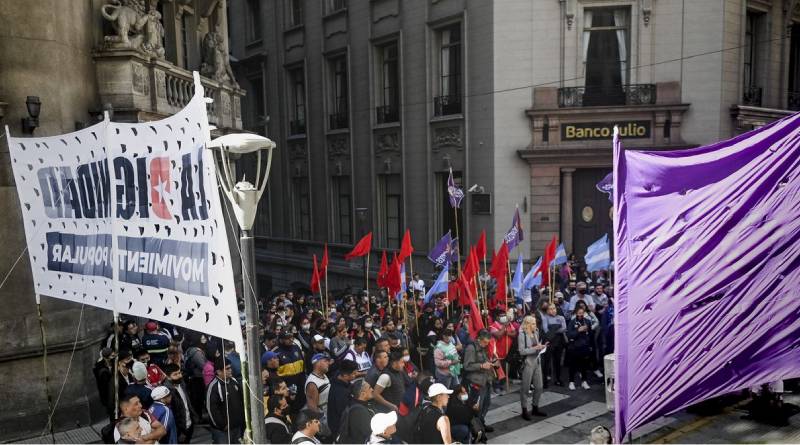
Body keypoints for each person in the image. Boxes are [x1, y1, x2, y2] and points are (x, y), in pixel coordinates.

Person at [463, 330, 497, 434]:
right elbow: (467, 366)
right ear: (479, 339)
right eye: (485, 342)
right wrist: (481, 366)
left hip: (485, 380)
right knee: (478, 406)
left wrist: (492, 363)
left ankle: (481, 423)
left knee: (487, 403)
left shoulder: (483, 347)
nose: (487, 344)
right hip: (476, 382)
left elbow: (485, 360)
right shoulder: (471, 348)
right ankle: (476, 428)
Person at [206, 358, 245, 444]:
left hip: (237, 426)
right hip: (222, 431)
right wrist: (222, 425)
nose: (230, 370)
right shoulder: (213, 387)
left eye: (230, 368)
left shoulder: (234, 381)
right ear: (219, 372)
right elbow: (211, 409)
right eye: (227, 369)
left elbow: (242, 401)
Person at [518, 315, 547, 420]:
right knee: (525, 388)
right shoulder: (522, 335)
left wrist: (541, 347)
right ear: (528, 324)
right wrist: (535, 348)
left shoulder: (536, 332)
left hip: (537, 361)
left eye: (535, 323)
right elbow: (522, 351)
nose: (535, 325)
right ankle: (524, 409)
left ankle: (535, 407)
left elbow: (537, 345)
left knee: (539, 387)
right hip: (528, 362)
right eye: (533, 323)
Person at [162, 363, 195, 444]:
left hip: (189, 423)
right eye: (175, 374)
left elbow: (187, 402)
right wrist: (179, 432)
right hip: (179, 430)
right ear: (168, 376)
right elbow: (172, 414)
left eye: (179, 372)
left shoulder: (182, 383)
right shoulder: (166, 391)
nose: (179, 376)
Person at [327, 360, 359, 440]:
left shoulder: (338, 377)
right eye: (354, 374)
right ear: (345, 375)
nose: (356, 375)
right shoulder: (340, 392)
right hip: (340, 428)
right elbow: (344, 413)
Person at [336, 380, 375, 444]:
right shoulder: (359, 411)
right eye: (369, 388)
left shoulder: (354, 405)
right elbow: (369, 432)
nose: (372, 389)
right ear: (363, 394)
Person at [277, 331, 308, 410]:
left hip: (301, 383)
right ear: (281, 340)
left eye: (291, 337)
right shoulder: (276, 353)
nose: (291, 339)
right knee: (293, 409)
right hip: (289, 387)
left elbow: (303, 364)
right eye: (287, 338)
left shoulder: (296, 348)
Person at [567, 306, 594, 391]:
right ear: (576, 313)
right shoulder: (572, 322)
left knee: (584, 365)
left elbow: (590, 335)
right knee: (572, 365)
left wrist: (590, 345)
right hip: (574, 347)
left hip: (584, 347)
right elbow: (569, 335)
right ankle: (571, 382)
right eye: (579, 313)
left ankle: (584, 381)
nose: (580, 315)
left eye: (582, 313)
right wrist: (578, 330)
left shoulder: (588, 322)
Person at [541, 303, 567, 387]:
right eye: (550, 309)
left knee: (558, 361)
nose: (553, 310)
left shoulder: (561, 318)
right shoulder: (545, 318)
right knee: (547, 362)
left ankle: (558, 379)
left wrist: (553, 329)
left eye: (554, 308)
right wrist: (557, 327)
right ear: (547, 310)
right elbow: (545, 330)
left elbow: (564, 329)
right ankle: (544, 381)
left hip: (559, 342)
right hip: (549, 342)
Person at [304, 353, 332, 426]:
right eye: (325, 361)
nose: (328, 363)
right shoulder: (312, 383)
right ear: (318, 363)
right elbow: (313, 407)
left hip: (329, 412)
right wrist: (321, 425)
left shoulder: (324, 375)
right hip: (323, 418)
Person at [93, 347, 116, 421]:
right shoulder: (101, 369)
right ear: (106, 357)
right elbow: (104, 386)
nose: (114, 357)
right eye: (112, 356)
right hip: (108, 393)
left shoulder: (112, 363)